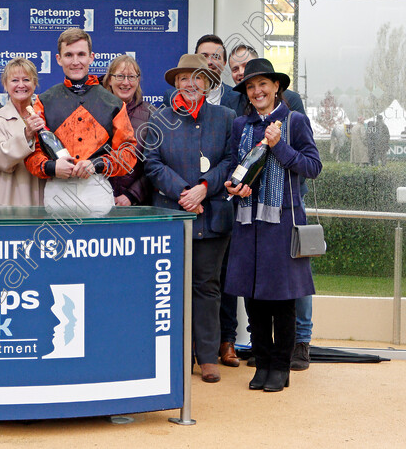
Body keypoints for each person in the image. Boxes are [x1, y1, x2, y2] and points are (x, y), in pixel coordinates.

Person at [224, 59, 321, 392]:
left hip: (283, 222)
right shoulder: (240, 125)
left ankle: (281, 366)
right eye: (250, 87)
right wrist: (235, 186)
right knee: (254, 299)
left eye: (263, 84)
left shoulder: (295, 121)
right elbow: (236, 168)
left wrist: (279, 146)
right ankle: (262, 363)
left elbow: (313, 166)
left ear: (277, 87)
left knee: (282, 300)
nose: (257, 91)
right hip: (248, 223)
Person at [144, 54, 235, 383]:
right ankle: (178, 354)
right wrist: (185, 193)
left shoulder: (225, 117)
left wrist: (204, 189)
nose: (191, 83)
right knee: (171, 289)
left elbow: (231, 160)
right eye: (184, 78)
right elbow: (151, 164)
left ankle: (208, 356)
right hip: (172, 217)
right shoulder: (158, 120)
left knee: (207, 287)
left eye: (198, 77)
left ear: (208, 83)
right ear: (176, 84)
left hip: (212, 218)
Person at [24, 28, 138, 213]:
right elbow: (32, 155)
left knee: (98, 243)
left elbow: (128, 154)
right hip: (57, 190)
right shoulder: (44, 101)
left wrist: (97, 164)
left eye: (81, 54)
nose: (75, 61)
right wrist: (52, 167)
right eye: (68, 55)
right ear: (58, 59)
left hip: (97, 189)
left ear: (91, 57)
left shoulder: (113, 103)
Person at [0, 57, 46, 206]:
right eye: (15, 80)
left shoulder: (46, 114)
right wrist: (26, 135)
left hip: (44, 203)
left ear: (35, 83)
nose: (21, 85)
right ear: (5, 85)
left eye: (26, 80)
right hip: (10, 203)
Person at [101, 54, 153, 206]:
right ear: (109, 79)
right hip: (97, 199)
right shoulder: (93, 111)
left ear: (138, 80)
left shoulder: (152, 115)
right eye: (120, 76)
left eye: (131, 77)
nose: (126, 82)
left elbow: (156, 164)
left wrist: (131, 195)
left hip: (137, 204)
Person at [162, 34, 240, 110]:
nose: (209, 62)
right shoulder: (171, 96)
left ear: (224, 63)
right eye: (204, 56)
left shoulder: (238, 97)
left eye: (216, 57)